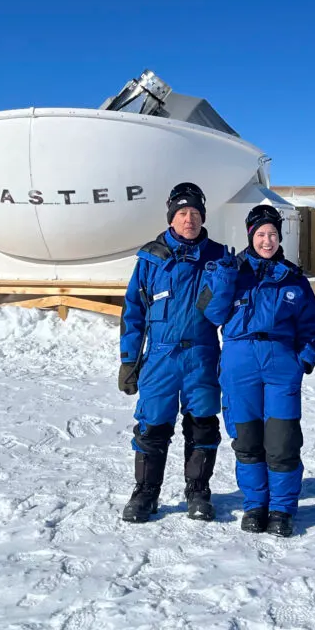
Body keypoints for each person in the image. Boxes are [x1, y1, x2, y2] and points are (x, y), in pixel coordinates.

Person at [198, 204, 315, 537]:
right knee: (247, 438)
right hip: (240, 362)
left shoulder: (292, 277)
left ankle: (282, 508)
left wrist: (304, 359)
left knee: (283, 441)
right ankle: (255, 504)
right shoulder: (230, 271)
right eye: (261, 234)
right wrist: (224, 278)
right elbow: (211, 313)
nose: (267, 241)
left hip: (281, 364)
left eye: (273, 234)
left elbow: (310, 324)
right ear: (250, 236)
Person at [118, 182, 227, 523]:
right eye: (182, 213)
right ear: (171, 218)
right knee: (152, 425)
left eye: (195, 212)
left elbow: (230, 311)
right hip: (160, 358)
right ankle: (145, 493)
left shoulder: (219, 257)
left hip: (202, 356)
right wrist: (128, 360)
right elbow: (133, 313)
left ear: (203, 216)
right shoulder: (151, 259)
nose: (189, 219)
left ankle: (198, 492)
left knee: (202, 426)